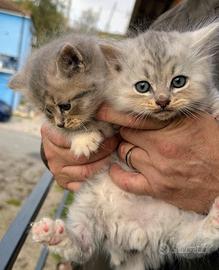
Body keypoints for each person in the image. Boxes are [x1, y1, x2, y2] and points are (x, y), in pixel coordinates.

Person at [40, 1, 219, 269]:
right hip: (115, 217)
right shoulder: (172, 17)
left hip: (167, 227)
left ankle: (206, 233)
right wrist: (60, 143)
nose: (162, 100)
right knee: (92, 203)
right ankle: (78, 243)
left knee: (183, 235)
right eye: (144, 86)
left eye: (178, 83)